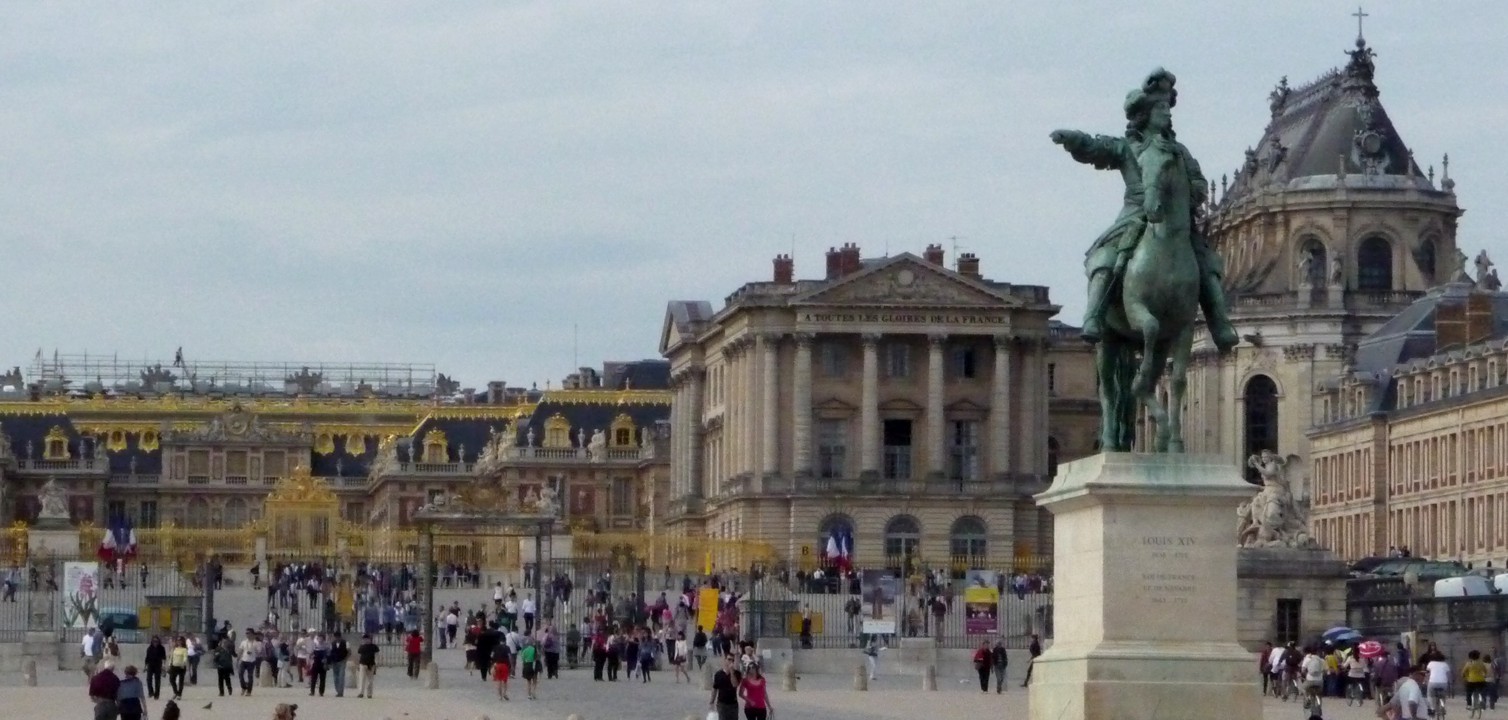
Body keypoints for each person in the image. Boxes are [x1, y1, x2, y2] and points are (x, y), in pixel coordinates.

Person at [710, 655, 739, 720]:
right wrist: (712, 701)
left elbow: (735, 685)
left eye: (732, 660)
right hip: (722, 703)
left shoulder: (736, 673)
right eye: (729, 659)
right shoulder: (718, 674)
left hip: (733, 704)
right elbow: (715, 688)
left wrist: (731, 672)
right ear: (725, 660)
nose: (730, 661)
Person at [356, 634, 379, 698]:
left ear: (370, 639)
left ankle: (369, 694)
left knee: (370, 680)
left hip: (371, 664)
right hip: (362, 664)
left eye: (367, 639)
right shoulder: (361, 647)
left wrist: (376, 664)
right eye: (364, 639)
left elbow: (377, 656)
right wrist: (358, 664)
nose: (366, 640)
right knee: (362, 679)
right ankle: (361, 693)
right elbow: (359, 656)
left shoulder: (374, 647)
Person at [328, 633, 349, 697]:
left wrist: (345, 659)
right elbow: (330, 653)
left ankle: (340, 692)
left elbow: (349, 652)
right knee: (335, 677)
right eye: (336, 637)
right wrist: (330, 662)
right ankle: (338, 690)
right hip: (334, 661)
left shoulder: (346, 643)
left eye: (338, 637)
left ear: (340, 637)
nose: (337, 638)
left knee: (341, 676)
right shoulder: (332, 643)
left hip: (342, 661)